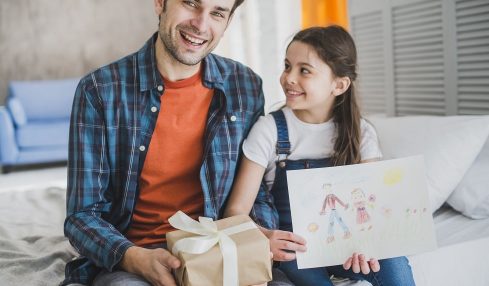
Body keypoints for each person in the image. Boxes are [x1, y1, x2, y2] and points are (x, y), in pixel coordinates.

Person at [62, 0, 285, 285]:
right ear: (160, 3)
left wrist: (258, 235)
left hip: (222, 250)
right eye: (191, 3)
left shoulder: (245, 86)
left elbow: (256, 192)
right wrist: (134, 258)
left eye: (218, 13)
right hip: (136, 256)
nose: (201, 25)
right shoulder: (99, 91)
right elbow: (82, 215)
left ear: (227, 21)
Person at [224, 25, 416, 286]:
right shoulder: (269, 129)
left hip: (346, 246)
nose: (289, 78)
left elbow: (373, 211)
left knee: (395, 262)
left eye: (304, 70)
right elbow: (235, 211)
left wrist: (367, 246)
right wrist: (264, 236)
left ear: (339, 84)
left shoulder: (361, 133)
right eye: (287, 66)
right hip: (296, 250)